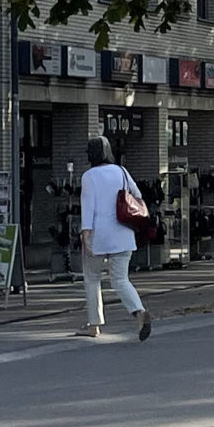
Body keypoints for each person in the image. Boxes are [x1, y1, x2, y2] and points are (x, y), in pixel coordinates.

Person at [76, 135, 151, 341]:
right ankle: (139, 311)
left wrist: (85, 233)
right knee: (120, 279)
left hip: (98, 236)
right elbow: (136, 195)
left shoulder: (89, 176)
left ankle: (94, 324)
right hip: (123, 234)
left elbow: (88, 207)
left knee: (92, 278)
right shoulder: (122, 171)